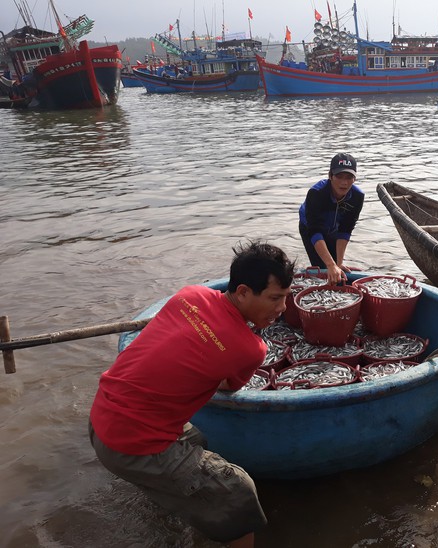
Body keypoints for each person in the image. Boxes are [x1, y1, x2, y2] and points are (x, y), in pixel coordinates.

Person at [89, 241, 295, 547]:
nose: (282, 309)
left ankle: (184, 511)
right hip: (132, 445)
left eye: (286, 298)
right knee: (238, 493)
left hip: (100, 418)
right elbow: (228, 385)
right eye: (274, 298)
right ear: (242, 292)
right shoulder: (251, 348)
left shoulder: (189, 294)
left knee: (196, 440)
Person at [299, 153, 364, 284]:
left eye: (349, 177)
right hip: (310, 228)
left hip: (334, 228)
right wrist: (330, 265)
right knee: (324, 268)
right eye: (339, 176)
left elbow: (345, 230)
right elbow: (315, 230)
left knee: (336, 269)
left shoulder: (357, 196)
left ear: (354, 179)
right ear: (330, 176)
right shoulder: (316, 193)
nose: (344, 182)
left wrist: (338, 264)